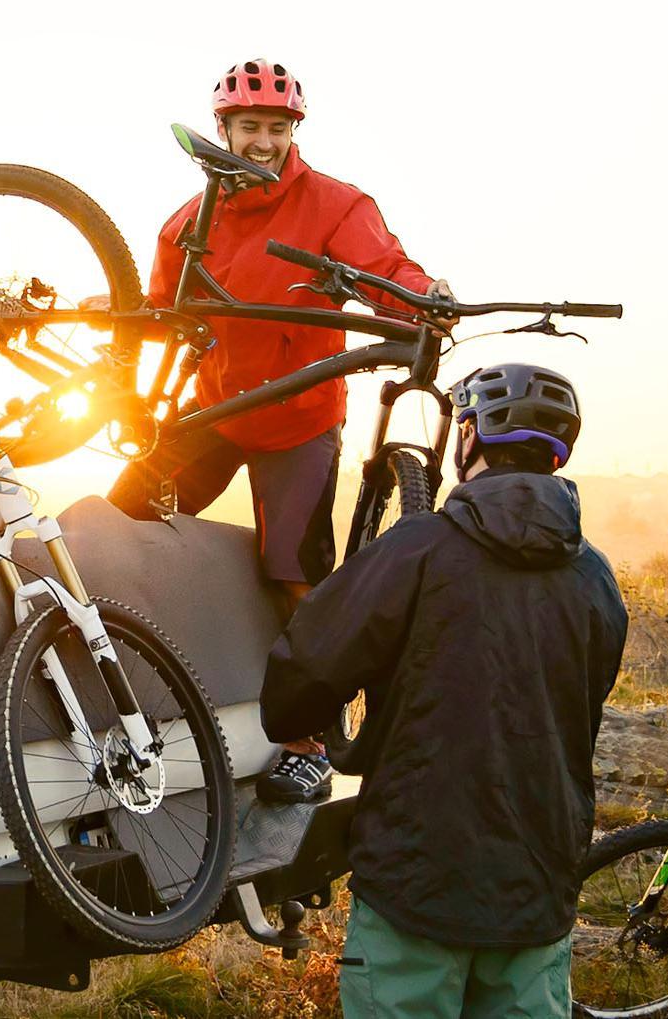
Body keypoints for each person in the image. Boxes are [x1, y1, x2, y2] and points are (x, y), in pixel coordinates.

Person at [102, 59, 453, 803]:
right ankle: (113, 699)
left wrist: (425, 300)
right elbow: (159, 313)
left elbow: (383, 269)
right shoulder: (186, 223)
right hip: (215, 411)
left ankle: (308, 743)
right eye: (248, 127)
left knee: (294, 574)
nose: (261, 142)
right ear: (221, 130)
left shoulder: (335, 204)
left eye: (275, 128)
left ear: (293, 133)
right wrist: (115, 360)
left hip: (298, 415)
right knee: (113, 523)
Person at [265, 363, 626, 1019]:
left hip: (415, 874)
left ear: (468, 435)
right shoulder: (595, 575)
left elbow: (310, 664)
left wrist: (295, 721)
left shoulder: (417, 547)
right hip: (539, 877)